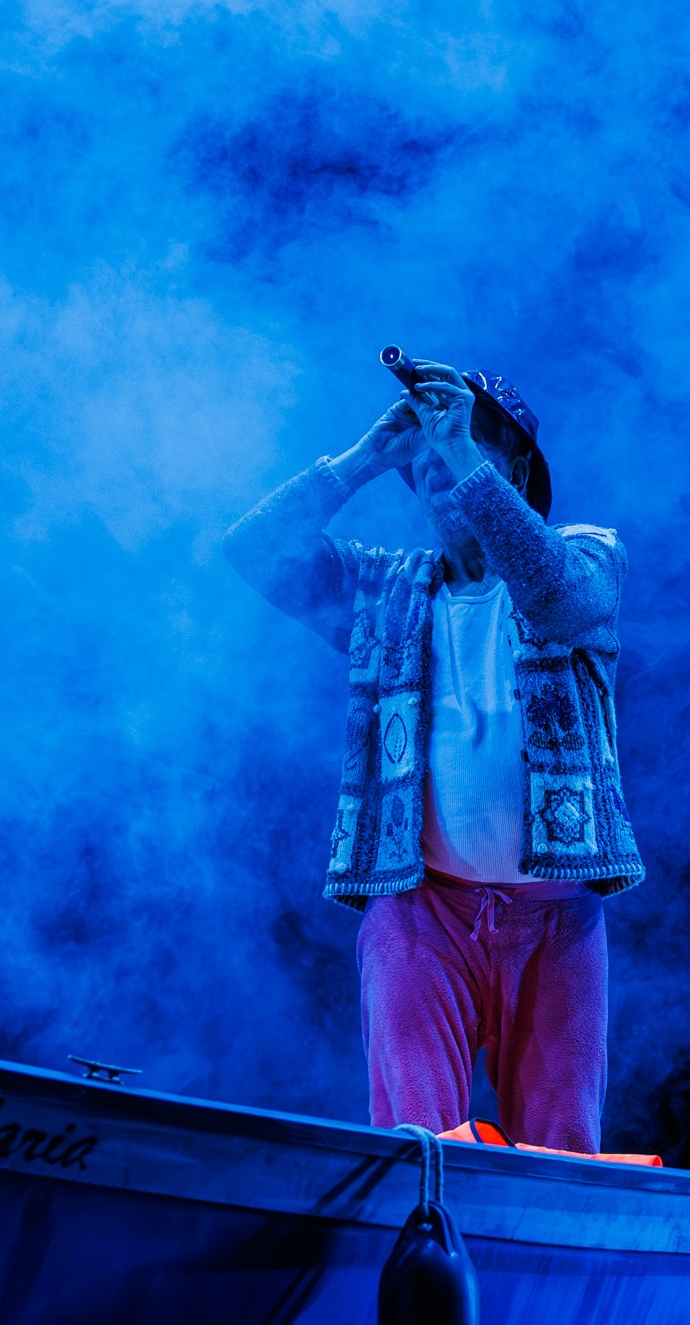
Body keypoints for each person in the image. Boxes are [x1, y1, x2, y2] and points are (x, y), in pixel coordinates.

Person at [223, 359, 645, 1151]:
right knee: (417, 1146)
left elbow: (556, 598)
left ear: (513, 469)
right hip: (422, 909)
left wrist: (458, 450)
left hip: (555, 914)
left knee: (559, 1149)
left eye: (467, 445)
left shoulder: (588, 555)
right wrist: (360, 461)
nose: (438, 465)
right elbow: (254, 549)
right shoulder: (386, 590)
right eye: (426, 459)